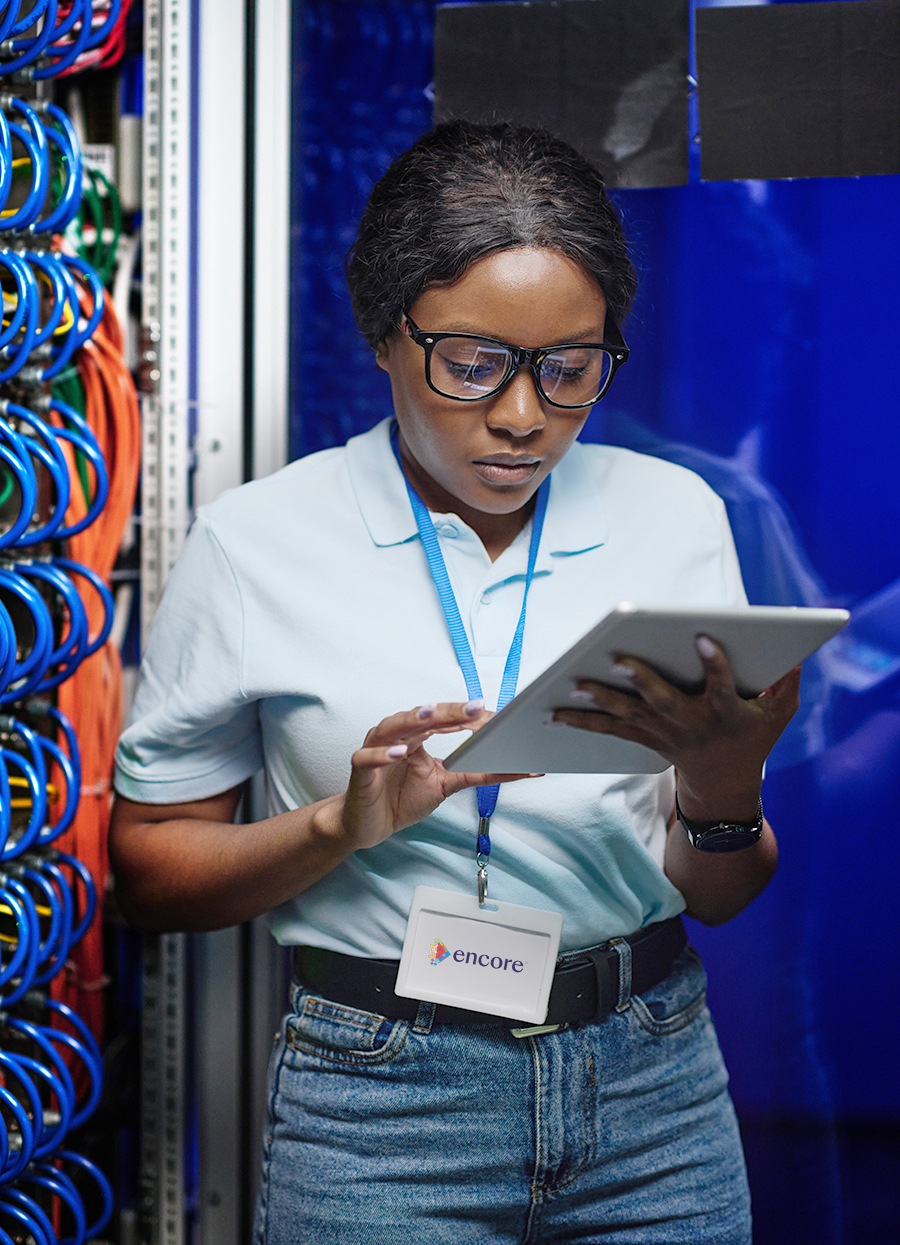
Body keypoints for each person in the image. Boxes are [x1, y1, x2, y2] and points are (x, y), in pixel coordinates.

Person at [111, 121, 800, 1244]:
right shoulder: (256, 546)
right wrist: (339, 823)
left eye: (570, 370)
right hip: (385, 1106)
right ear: (387, 338)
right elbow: (149, 878)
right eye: (474, 364)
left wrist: (724, 789)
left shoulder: (676, 520)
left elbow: (720, 894)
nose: (524, 416)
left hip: (652, 1089)